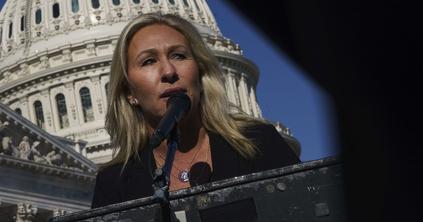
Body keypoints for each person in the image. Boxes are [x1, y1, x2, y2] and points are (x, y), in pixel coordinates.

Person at [91, 13, 300, 208]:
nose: (169, 71)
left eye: (179, 56)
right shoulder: (114, 183)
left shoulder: (258, 144)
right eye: (149, 61)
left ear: (200, 75)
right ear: (129, 92)